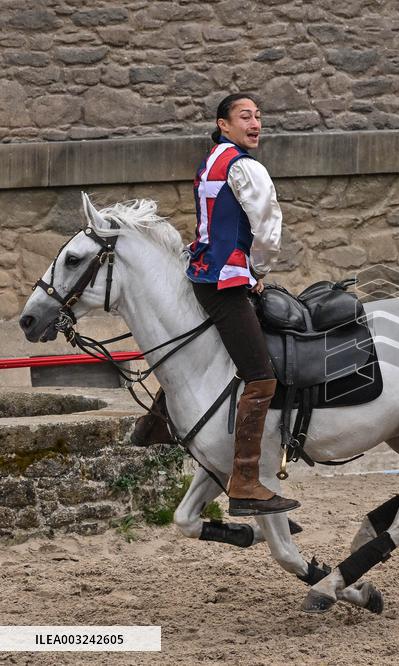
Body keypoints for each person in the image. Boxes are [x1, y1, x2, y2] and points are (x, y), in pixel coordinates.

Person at [135, 93, 297, 517]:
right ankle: (244, 480)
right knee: (260, 377)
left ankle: (154, 427)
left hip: (204, 275)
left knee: (207, 355)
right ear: (223, 124)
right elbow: (268, 227)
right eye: (245, 116)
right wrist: (257, 272)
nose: (255, 122)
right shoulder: (245, 166)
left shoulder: (213, 160)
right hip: (226, 283)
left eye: (259, 116)